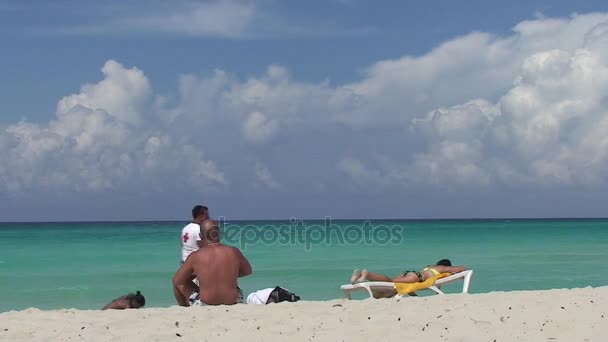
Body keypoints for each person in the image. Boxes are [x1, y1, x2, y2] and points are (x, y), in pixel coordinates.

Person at [173, 219, 252, 306]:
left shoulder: (195, 256)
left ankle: (184, 309)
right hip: (234, 301)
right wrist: (228, 273)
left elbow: (177, 280)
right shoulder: (233, 251)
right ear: (219, 233)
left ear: (200, 236)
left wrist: (200, 274)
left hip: (206, 303)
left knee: (178, 284)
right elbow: (247, 271)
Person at [350, 259, 466, 284]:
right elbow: (462, 268)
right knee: (391, 282)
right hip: (417, 277)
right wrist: (452, 271)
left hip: (411, 273)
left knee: (391, 282)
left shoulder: (430, 266)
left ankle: (360, 274)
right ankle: (367, 274)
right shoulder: (441, 268)